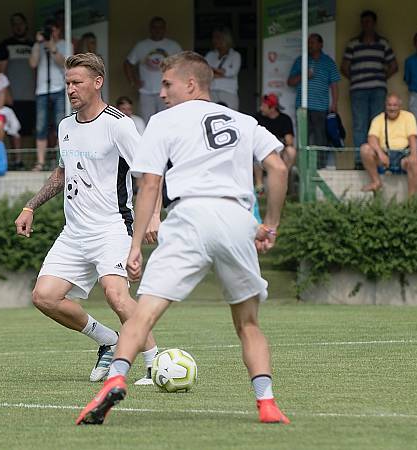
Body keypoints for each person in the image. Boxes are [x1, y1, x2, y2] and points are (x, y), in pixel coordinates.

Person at [76, 51, 290, 426]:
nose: (160, 93)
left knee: (142, 313)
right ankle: (267, 403)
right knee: (249, 324)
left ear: (191, 84)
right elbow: (277, 166)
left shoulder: (163, 121)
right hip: (236, 218)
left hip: (189, 216)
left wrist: (135, 244)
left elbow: (149, 185)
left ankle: (114, 380)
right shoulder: (244, 121)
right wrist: (270, 223)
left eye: (167, 84)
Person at [15, 53, 159, 386]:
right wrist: (30, 206)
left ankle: (155, 364)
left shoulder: (118, 123)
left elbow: (149, 170)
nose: (70, 89)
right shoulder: (66, 125)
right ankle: (108, 340)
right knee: (44, 297)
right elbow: (62, 173)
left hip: (112, 227)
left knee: (116, 295)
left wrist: (153, 215)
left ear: (98, 82)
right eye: (67, 83)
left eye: (77, 82)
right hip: (74, 233)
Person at [342, 10, 398, 150]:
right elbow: (344, 67)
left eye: (368, 21)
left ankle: (376, 158)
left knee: (378, 124)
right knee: (360, 125)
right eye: (363, 22)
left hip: (378, 90)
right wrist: (356, 79)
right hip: (358, 90)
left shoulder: (383, 43)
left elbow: (394, 66)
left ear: (374, 23)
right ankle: (360, 161)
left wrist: (381, 79)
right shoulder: (353, 43)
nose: (366, 24)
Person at [287, 33, 340, 160]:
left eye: (313, 42)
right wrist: (304, 75)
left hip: (321, 107)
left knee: (320, 139)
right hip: (303, 107)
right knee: (303, 139)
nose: (310, 45)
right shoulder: (301, 60)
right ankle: (303, 167)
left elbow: (334, 85)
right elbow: (290, 82)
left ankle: (320, 169)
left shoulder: (328, 62)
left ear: (320, 44)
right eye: (308, 43)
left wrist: (334, 104)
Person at [124, 17, 182, 123]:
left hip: (166, 91)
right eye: (155, 27)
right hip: (146, 92)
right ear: (150, 29)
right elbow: (128, 63)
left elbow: (182, 65)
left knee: (167, 122)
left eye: (160, 27)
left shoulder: (173, 46)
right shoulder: (141, 46)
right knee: (147, 123)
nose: (157, 30)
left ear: (165, 29)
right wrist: (133, 81)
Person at [359, 94, 417, 195]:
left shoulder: (409, 116)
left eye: (395, 105)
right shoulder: (378, 119)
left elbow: (412, 138)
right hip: (384, 155)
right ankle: (376, 181)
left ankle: (411, 200)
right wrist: (380, 154)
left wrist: (414, 155)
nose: (392, 108)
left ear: (400, 106)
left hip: (403, 156)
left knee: (415, 163)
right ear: (385, 106)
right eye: (389, 105)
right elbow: (371, 138)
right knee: (365, 149)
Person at [29, 18, 67, 171]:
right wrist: (39, 44)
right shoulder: (38, 45)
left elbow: (65, 64)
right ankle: (40, 162)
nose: (51, 33)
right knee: (40, 126)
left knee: (61, 125)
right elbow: (33, 63)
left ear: (59, 30)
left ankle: (61, 162)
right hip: (42, 90)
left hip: (59, 88)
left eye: (54, 29)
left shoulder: (65, 44)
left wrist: (52, 47)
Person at [0, 12, 36, 143]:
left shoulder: (33, 45)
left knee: (28, 128)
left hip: (31, 94)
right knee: (13, 129)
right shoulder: (5, 45)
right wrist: (6, 93)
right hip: (13, 95)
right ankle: (16, 160)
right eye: (14, 24)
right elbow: (1, 73)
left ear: (26, 25)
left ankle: (25, 160)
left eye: (20, 23)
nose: (18, 27)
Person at [254, 94, 296, 194]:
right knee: (254, 152)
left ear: (272, 108)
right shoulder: (257, 117)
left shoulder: (285, 119)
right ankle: (259, 187)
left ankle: (282, 180)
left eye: (264, 106)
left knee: (291, 151)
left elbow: (289, 141)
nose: (261, 108)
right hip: (262, 151)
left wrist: (277, 145)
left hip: (279, 151)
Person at [205, 26, 241, 111]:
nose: (214, 40)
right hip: (212, 90)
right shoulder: (210, 55)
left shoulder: (235, 55)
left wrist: (214, 71)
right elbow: (205, 71)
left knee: (231, 118)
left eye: (218, 38)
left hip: (229, 91)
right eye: (213, 37)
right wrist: (221, 73)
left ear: (226, 39)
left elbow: (232, 72)